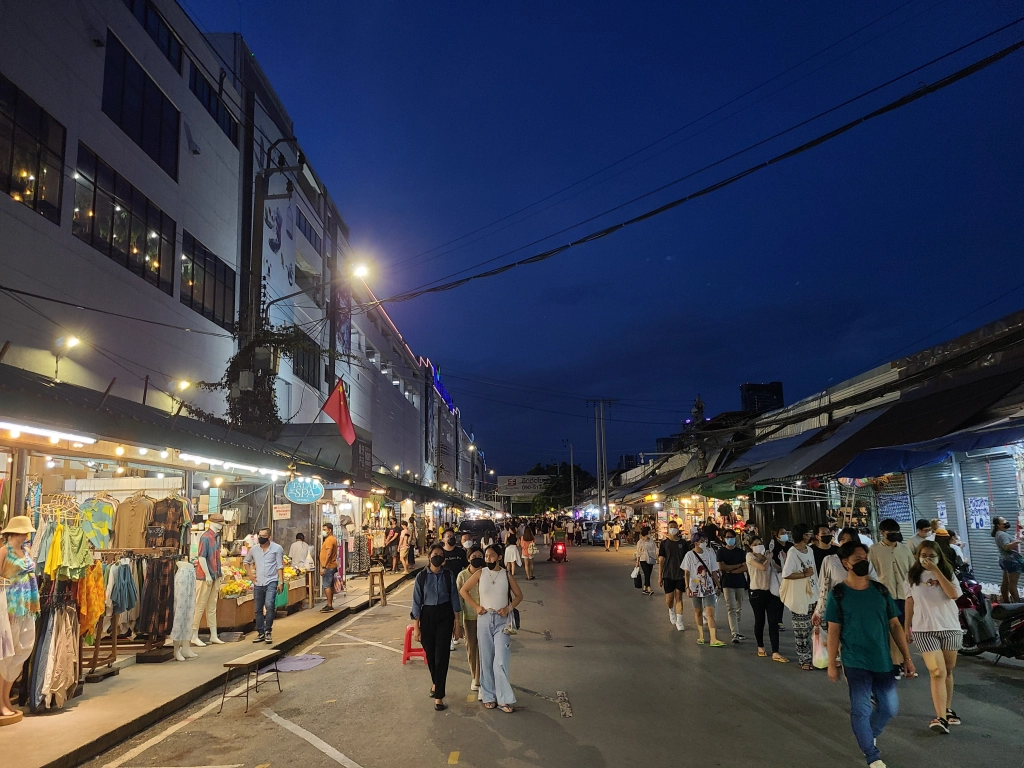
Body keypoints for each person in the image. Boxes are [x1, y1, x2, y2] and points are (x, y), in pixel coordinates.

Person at [826, 541, 915, 768]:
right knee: (861, 708)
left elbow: (895, 626)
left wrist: (907, 657)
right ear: (846, 564)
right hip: (855, 660)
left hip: (883, 659)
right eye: (857, 560)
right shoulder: (838, 594)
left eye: (865, 558)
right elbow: (834, 631)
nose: (863, 562)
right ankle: (871, 754)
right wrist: (832, 663)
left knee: (888, 708)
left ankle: (867, 733)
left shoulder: (880, 591)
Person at [905, 541, 964, 733]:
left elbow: (953, 594)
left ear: (939, 557)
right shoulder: (912, 576)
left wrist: (936, 571)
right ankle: (940, 718)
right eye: (924, 555)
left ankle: (946, 709)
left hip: (949, 627)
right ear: (917, 556)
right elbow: (910, 601)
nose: (927, 559)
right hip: (924, 629)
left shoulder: (948, 573)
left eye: (932, 556)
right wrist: (907, 627)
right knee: (937, 671)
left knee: (948, 669)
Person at [458, 545, 524, 713]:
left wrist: (508, 608)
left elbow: (519, 595)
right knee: (486, 658)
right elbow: (464, 590)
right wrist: (476, 607)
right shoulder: (480, 574)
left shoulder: (506, 575)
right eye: (486, 556)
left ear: (499, 557)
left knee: (501, 659)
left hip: (502, 621)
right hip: (484, 619)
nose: (488, 558)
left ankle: (504, 699)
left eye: (491, 556)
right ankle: (488, 696)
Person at [412, 544, 463, 711]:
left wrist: (457, 623)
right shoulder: (421, 577)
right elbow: (416, 603)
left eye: (441, 555)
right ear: (429, 557)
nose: (438, 557)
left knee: (442, 656)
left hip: (444, 616)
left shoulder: (448, 576)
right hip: (427, 616)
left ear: (444, 559)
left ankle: (439, 696)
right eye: (435, 554)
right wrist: (416, 627)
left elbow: (455, 600)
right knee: (431, 654)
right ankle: (436, 683)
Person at [0, 516, 40, 718]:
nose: (27, 534)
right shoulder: (4, 551)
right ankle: (2, 701)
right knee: (6, 653)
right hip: (11, 609)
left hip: (28, 606)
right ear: (15, 532)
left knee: (23, 649)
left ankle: (6, 697)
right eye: (24, 531)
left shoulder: (27, 551)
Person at [869, 518, 916, 677]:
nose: (895, 535)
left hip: (904, 595)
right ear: (882, 533)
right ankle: (894, 664)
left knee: (903, 630)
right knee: (890, 631)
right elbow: (870, 574)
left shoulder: (905, 550)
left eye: (897, 532)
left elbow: (913, 571)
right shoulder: (874, 550)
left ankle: (903, 662)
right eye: (891, 533)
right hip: (885, 596)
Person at [782, 522, 819, 670]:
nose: (810, 536)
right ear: (804, 536)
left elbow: (814, 571)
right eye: (808, 533)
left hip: (813, 593)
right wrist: (805, 574)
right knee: (802, 630)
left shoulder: (809, 550)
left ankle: (818, 656)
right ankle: (804, 659)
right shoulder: (792, 552)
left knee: (816, 627)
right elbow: (787, 574)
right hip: (800, 597)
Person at [746, 536, 787, 662]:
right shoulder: (750, 556)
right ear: (751, 546)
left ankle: (776, 651)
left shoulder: (767, 557)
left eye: (760, 543)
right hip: (757, 593)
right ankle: (760, 646)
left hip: (770, 592)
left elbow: (779, 569)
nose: (758, 545)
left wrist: (782, 560)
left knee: (773, 622)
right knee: (760, 621)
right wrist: (768, 558)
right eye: (755, 544)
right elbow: (763, 567)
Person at [243, 527, 284, 644]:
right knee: (258, 609)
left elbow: (279, 566)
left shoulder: (277, 548)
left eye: (263, 536)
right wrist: (250, 575)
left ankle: (268, 631)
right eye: (259, 536)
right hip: (258, 582)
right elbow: (246, 562)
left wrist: (281, 582)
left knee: (270, 605)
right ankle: (260, 632)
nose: (260, 538)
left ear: (269, 537)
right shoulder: (254, 550)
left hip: (272, 580)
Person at [682, 533, 724, 646]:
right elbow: (686, 573)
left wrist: (718, 585)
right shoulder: (689, 555)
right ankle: (701, 636)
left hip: (709, 587)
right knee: (698, 611)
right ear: (696, 543)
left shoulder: (710, 554)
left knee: (710, 611)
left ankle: (713, 638)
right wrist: (687, 587)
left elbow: (714, 571)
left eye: (705, 540)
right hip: (695, 587)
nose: (704, 542)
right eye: (702, 540)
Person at [814, 527, 861, 627]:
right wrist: (818, 611)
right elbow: (823, 587)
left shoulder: (864, 559)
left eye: (850, 540)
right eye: (843, 540)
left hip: (859, 606)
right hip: (837, 608)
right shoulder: (830, 560)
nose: (846, 543)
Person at [456, 547, 485, 695]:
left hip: (486, 617)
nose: (477, 558)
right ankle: (476, 678)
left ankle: (485, 679)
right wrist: (459, 623)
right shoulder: (462, 576)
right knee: (472, 648)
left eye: (480, 556)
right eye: (474, 556)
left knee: (486, 649)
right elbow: (459, 601)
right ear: (468, 559)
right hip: (469, 618)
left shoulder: (487, 573)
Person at [658, 521, 691, 631]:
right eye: (671, 527)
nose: (673, 529)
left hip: (680, 574)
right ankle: (671, 610)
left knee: (679, 597)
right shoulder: (664, 543)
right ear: (668, 529)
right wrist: (660, 576)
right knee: (669, 599)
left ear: (678, 529)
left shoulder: (683, 543)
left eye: (675, 527)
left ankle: (679, 621)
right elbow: (661, 560)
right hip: (668, 574)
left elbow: (687, 559)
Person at [716, 529, 747, 643]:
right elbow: (721, 567)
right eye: (728, 537)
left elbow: (746, 567)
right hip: (727, 583)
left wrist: (731, 569)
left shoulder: (740, 552)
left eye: (732, 537)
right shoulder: (721, 552)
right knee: (731, 607)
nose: (730, 539)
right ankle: (735, 632)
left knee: (738, 608)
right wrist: (738, 566)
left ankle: (737, 630)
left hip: (740, 582)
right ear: (724, 539)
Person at [992, 516, 1022, 603]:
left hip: (1005, 560)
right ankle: (1017, 605)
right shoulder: (1002, 534)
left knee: (1006, 582)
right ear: (998, 525)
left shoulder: (999, 533)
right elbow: (1006, 547)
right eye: (1003, 521)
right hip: (1011, 560)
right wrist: (1016, 542)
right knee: (1013, 584)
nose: (1006, 522)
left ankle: (1006, 602)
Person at [320, 523, 340, 612]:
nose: (323, 531)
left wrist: (324, 566)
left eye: (324, 529)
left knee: (327, 585)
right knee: (330, 585)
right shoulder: (331, 539)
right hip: (331, 565)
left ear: (330, 530)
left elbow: (328, 553)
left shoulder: (329, 540)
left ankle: (329, 605)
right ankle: (329, 604)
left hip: (328, 566)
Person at [635, 526, 658, 595]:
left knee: (648, 574)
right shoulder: (640, 542)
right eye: (649, 533)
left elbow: (655, 549)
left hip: (651, 559)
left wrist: (657, 556)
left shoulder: (651, 541)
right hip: (643, 559)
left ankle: (644, 588)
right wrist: (637, 562)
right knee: (647, 573)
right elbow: (638, 552)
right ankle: (649, 588)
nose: (650, 534)